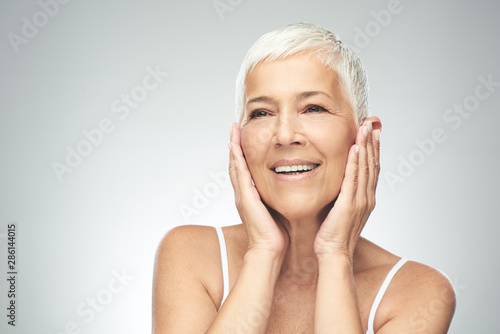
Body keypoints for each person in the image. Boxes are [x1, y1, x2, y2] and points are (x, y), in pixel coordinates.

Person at [152, 22, 456, 333]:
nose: (284, 135)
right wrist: (262, 252)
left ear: (364, 135)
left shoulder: (418, 292)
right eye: (261, 113)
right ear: (239, 138)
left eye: (313, 108)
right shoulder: (189, 254)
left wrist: (336, 254)